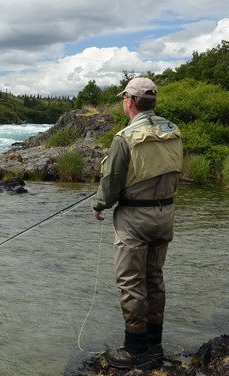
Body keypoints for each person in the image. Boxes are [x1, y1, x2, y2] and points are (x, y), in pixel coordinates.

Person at [91, 77, 183, 369]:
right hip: (165, 214)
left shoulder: (124, 138)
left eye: (123, 99)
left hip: (134, 218)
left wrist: (99, 205)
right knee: (154, 277)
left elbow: (112, 182)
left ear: (129, 102)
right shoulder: (172, 130)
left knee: (131, 283)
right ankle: (154, 344)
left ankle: (134, 349)